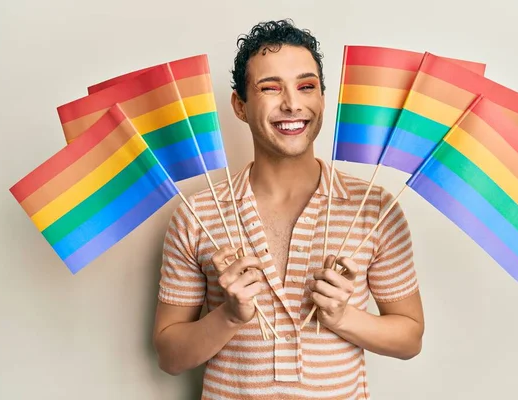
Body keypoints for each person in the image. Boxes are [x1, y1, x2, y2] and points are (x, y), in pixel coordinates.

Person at [153, 19, 424, 400]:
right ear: (240, 105)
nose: (292, 103)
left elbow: (410, 338)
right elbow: (170, 357)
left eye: (306, 86)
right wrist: (228, 316)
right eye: (270, 88)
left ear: (323, 100)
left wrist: (344, 317)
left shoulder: (376, 209)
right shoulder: (196, 215)